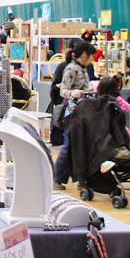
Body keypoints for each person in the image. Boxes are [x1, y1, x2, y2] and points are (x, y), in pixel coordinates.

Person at [53, 41, 96, 190]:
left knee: (83, 145)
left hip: (84, 109)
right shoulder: (71, 69)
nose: (91, 59)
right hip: (72, 109)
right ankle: (57, 177)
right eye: (91, 56)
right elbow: (63, 90)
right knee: (69, 144)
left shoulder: (83, 69)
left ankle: (82, 179)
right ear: (84, 54)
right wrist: (73, 93)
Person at [98, 76, 130, 150]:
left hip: (101, 128)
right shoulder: (117, 99)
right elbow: (128, 107)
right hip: (117, 127)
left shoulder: (96, 99)